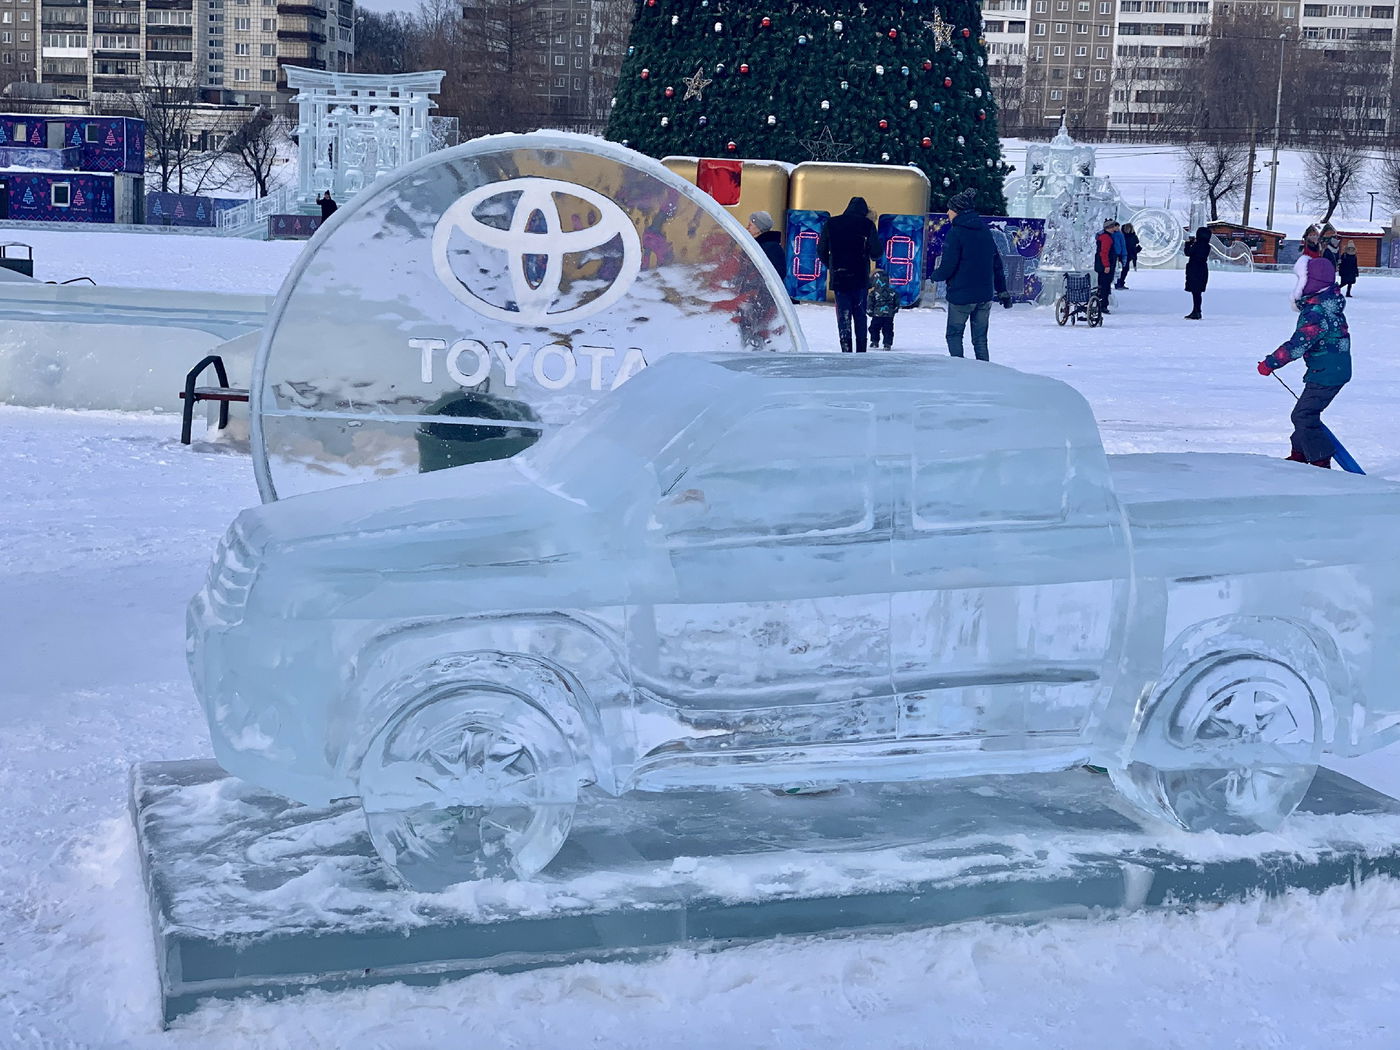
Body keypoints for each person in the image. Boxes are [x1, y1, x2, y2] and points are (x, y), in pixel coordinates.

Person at [1257, 225, 1350, 468]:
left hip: (1327, 374)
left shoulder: (1316, 311)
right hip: (1331, 369)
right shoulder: (1328, 304)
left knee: (1303, 415)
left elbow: (1298, 344)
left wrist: (1270, 363)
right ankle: (1300, 453)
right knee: (1305, 413)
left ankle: (1319, 460)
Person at [928, 188, 1010, 361]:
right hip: (984, 295)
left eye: (950, 209)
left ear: (957, 211)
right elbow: (996, 263)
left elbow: (948, 266)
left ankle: (960, 371)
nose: (947, 212)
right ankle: (983, 371)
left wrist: (935, 275)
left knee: (954, 334)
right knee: (980, 339)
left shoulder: (955, 233)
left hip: (961, 295)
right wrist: (1002, 291)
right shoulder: (985, 232)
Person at [817, 196, 882, 353]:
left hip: (840, 276)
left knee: (843, 316)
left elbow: (821, 250)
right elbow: (876, 253)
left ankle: (845, 349)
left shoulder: (831, 223)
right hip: (860, 277)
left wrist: (832, 266)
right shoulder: (867, 225)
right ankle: (861, 350)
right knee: (860, 315)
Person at [867, 267, 900, 349]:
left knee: (874, 328)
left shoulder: (873, 293)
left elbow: (870, 303)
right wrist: (894, 310)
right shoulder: (893, 292)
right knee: (888, 330)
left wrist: (869, 311)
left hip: (877, 315)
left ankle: (874, 341)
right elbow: (897, 302)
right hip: (888, 315)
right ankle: (887, 343)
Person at [746, 210, 786, 277]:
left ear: (759, 228)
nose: (747, 228)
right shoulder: (761, 245)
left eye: (750, 225)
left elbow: (778, 273)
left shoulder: (771, 248)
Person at [1183, 225, 1210, 319]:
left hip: (1194, 268)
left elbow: (1188, 253)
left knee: (1195, 292)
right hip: (1202, 269)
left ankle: (1196, 311)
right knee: (1198, 292)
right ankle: (1197, 310)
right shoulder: (1207, 246)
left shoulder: (1197, 245)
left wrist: (1188, 244)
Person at [1094, 219, 1117, 314]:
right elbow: (1104, 253)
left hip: (1100, 264)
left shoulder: (1102, 236)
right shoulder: (1106, 238)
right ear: (1109, 228)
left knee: (1102, 285)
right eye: (1112, 227)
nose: (1114, 229)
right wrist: (1107, 265)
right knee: (1105, 286)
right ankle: (1103, 305)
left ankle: (1099, 303)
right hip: (1105, 266)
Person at [1120, 222, 1140, 286]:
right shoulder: (1132, 236)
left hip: (1125, 254)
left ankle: (1120, 281)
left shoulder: (1122, 235)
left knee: (1125, 269)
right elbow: (1135, 243)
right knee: (1125, 269)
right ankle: (1120, 282)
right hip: (1128, 254)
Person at [1111, 221, 1129, 289]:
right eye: (1116, 226)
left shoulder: (1118, 234)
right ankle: (1117, 283)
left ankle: (1118, 283)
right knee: (1117, 269)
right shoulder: (1116, 234)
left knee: (1118, 269)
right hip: (1116, 253)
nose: (1117, 228)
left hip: (1118, 254)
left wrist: (1124, 254)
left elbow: (1122, 245)